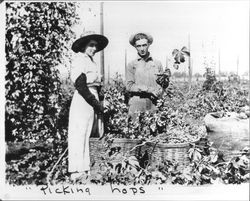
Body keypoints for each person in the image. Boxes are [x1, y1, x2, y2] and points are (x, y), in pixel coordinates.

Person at [68, 31, 108, 181]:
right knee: (79, 132)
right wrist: (94, 102)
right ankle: (76, 172)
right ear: (84, 45)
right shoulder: (79, 59)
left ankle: (85, 169)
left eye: (95, 46)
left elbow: (95, 83)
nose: (93, 48)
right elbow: (80, 84)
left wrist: (100, 99)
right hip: (83, 99)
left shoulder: (91, 61)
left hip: (92, 97)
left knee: (88, 132)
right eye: (91, 45)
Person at [126, 32, 169, 118]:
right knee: (137, 129)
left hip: (154, 103)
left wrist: (165, 83)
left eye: (144, 45)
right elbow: (129, 86)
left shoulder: (157, 63)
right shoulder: (132, 65)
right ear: (135, 47)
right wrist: (149, 89)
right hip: (137, 103)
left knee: (156, 129)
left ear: (149, 45)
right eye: (139, 46)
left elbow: (162, 85)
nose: (142, 49)